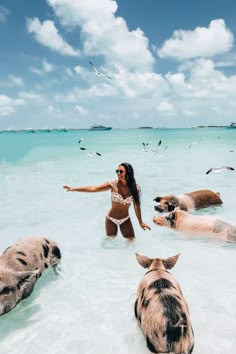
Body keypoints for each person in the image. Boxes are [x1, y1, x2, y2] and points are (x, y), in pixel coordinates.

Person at [63, 162, 151, 239]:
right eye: (117, 171)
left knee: (131, 242)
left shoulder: (135, 188)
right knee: (110, 244)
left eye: (121, 171)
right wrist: (74, 189)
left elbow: (136, 206)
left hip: (125, 219)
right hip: (111, 219)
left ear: (128, 173)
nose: (118, 173)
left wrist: (140, 222)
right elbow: (94, 188)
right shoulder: (113, 184)